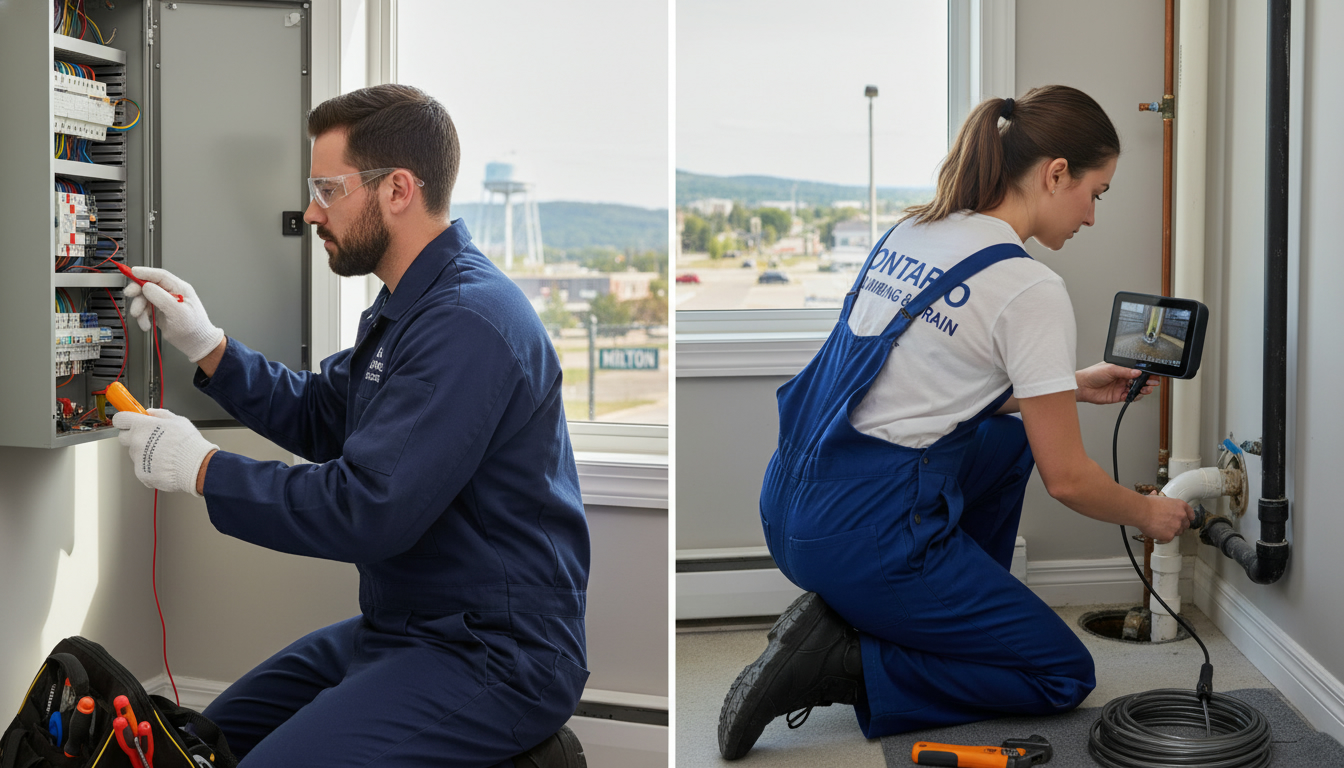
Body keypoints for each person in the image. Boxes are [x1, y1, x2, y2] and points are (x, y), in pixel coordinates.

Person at [112, 84, 590, 768]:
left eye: (327, 189)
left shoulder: (468, 323)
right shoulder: (409, 307)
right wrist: (207, 345)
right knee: (203, 745)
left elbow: (370, 509)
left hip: (497, 654)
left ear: (397, 189)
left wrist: (203, 468)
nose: (310, 211)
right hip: (401, 629)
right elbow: (322, 413)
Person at [718, 85, 1196, 759]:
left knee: (1007, 440)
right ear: (1055, 173)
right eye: (1098, 191)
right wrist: (1150, 516)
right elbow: (1070, 480)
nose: (1092, 215)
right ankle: (847, 660)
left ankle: (939, 611)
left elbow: (911, 382)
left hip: (794, 506)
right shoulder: (1029, 288)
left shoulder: (914, 229)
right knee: (1061, 672)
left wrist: (1066, 389)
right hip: (864, 535)